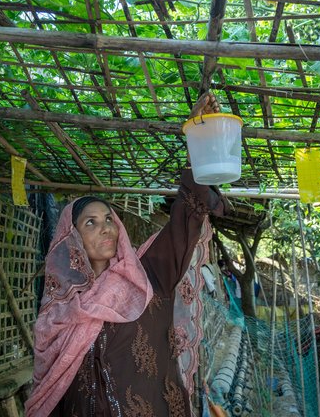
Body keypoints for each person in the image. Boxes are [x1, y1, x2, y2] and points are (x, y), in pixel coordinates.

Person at [25, 92, 227, 417]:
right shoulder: (57, 314)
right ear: (72, 239)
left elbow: (186, 214)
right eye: (91, 222)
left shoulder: (148, 276)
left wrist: (199, 139)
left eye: (109, 220)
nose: (105, 228)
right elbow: (50, 390)